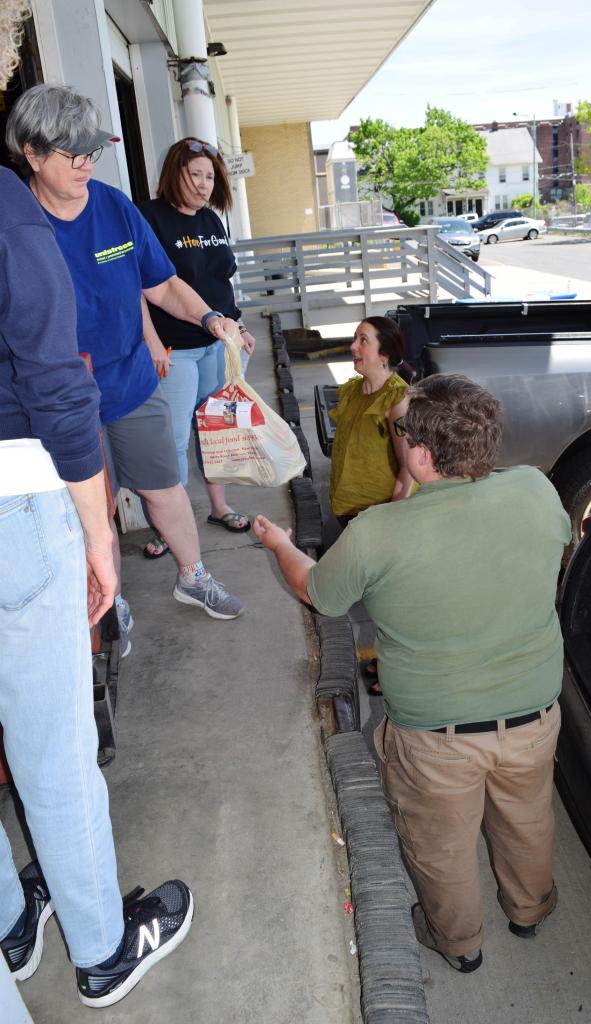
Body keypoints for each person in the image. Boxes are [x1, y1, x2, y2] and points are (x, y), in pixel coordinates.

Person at [253, 373, 571, 973]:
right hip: (535, 715)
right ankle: (529, 912)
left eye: (401, 432)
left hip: (436, 737)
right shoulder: (534, 489)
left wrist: (278, 545)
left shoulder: (378, 533)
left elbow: (317, 590)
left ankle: (460, 945)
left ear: (420, 454)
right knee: (529, 821)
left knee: (440, 847)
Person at [0, 164, 192, 1008]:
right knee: (54, 751)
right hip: (12, 494)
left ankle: (11, 922)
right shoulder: (7, 205)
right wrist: (98, 531)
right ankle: (104, 950)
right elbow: (51, 374)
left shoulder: (109, 209)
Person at [6, 84, 244, 642]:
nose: (86, 165)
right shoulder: (16, 223)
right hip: (61, 404)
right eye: (72, 154)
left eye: (92, 151)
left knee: (164, 488)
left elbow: (161, 285)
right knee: (97, 510)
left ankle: (194, 575)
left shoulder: (114, 206)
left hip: (132, 384)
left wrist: (210, 318)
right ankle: (113, 603)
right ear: (32, 154)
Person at [138, 137, 255, 556]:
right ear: (175, 173)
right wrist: (150, 341)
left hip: (217, 346)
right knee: (172, 441)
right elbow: (142, 288)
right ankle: (168, 526)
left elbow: (221, 284)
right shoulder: (150, 218)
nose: (204, 185)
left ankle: (219, 507)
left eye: (210, 176)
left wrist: (237, 327)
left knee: (217, 431)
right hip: (176, 348)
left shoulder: (211, 221)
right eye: (195, 175)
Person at [329, 316, 414, 693]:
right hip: (352, 514)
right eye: (355, 339)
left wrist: (395, 516)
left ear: (386, 354)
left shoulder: (397, 401)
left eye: (363, 340)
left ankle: (399, 673)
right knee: (376, 599)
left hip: (380, 517)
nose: (353, 347)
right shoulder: (352, 391)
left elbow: (409, 469)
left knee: (393, 601)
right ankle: (386, 661)